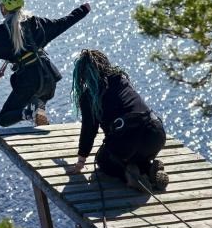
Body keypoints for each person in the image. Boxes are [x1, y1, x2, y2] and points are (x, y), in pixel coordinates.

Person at [65, 49, 169, 192]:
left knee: (103, 161)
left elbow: (89, 130)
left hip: (128, 139)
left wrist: (81, 162)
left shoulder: (90, 96)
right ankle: (148, 168)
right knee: (133, 152)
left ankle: (130, 177)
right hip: (156, 134)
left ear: (83, 75)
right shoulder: (121, 79)